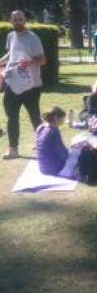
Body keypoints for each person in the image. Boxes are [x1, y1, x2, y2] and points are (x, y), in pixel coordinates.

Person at [1, 10, 46, 159]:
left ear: (25, 20)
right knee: (11, 117)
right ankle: (13, 149)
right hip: (12, 83)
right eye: (15, 19)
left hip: (31, 86)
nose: (18, 21)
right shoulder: (10, 36)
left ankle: (42, 145)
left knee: (34, 116)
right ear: (11, 21)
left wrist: (29, 63)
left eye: (20, 19)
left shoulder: (33, 38)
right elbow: (11, 54)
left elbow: (42, 59)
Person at [35, 107, 68, 175]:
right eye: (62, 119)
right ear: (56, 118)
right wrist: (69, 153)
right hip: (54, 169)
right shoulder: (54, 131)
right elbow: (62, 153)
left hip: (42, 167)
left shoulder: (40, 128)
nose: (63, 121)